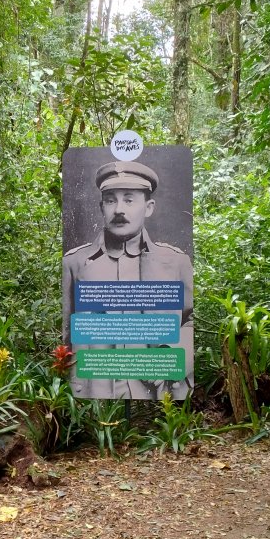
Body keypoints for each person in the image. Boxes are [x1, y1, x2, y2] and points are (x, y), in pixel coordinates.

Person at [61, 159, 194, 400]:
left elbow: (191, 320)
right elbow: (65, 333)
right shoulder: (74, 264)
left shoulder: (175, 263)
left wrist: (173, 355)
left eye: (129, 199)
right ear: (102, 207)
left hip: (160, 397)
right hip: (92, 395)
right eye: (111, 200)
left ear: (149, 207)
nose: (119, 209)